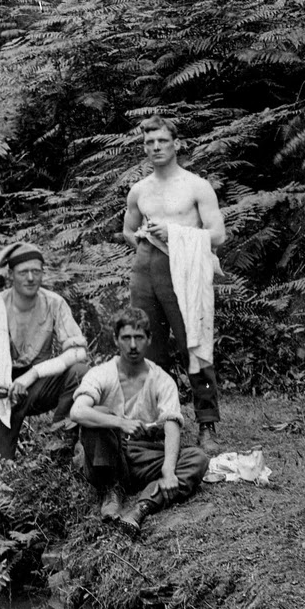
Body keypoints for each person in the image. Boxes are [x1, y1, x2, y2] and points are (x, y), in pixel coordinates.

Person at [123, 114, 226, 446]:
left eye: (162, 141)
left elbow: (218, 235)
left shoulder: (196, 186)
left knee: (193, 343)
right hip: (145, 269)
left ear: (176, 144)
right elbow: (128, 230)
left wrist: (175, 234)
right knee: (147, 346)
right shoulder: (139, 190)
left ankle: (207, 424)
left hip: (183, 268)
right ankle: (157, 422)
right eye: (149, 142)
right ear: (144, 147)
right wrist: (145, 240)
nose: (156, 147)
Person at [69, 307, 209, 537]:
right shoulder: (101, 374)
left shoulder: (161, 379)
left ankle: (142, 507)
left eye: (139, 338)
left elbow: (172, 424)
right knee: (98, 414)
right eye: (126, 338)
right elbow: (77, 411)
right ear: (116, 340)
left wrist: (168, 469)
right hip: (109, 455)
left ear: (149, 339)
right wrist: (119, 423)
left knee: (197, 459)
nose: (133, 345)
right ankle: (111, 491)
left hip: (145, 455)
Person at [0, 241, 90, 471]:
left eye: (36, 271)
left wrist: (33, 374)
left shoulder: (54, 303)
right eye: (23, 272)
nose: (30, 278)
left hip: (34, 384)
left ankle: (59, 444)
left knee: (79, 373)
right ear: (11, 275)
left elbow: (78, 351)